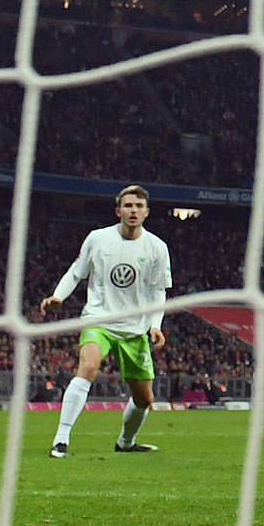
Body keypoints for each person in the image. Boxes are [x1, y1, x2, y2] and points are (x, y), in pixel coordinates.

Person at [40, 184, 171, 458]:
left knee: (144, 399)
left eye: (138, 206)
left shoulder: (158, 248)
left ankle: (126, 442)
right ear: (118, 210)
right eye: (128, 205)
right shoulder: (97, 238)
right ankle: (61, 439)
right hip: (99, 319)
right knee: (88, 366)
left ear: (146, 212)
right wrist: (58, 296)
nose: (133, 210)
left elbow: (159, 290)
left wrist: (155, 324)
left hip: (134, 329)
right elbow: (76, 272)